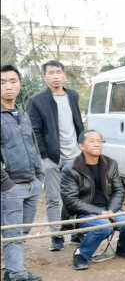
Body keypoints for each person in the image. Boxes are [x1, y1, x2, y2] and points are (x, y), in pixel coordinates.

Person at [60, 130, 125, 270]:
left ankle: (123, 249)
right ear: (81, 146)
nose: (97, 144)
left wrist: (111, 210)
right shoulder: (70, 169)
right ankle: (81, 255)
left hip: (108, 209)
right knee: (104, 227)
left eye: (99, 141)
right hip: (82, 213)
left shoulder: (110, 164)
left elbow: (119, 190)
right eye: (92, 141)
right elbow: (71, 200)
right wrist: (99, 212)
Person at [28, 60, 84, 252]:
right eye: (51, 73)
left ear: (64, 75)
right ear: (45, 76)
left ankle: (77, 232)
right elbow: (35, 131)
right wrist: (45, 157)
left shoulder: (73, 96)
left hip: (74, 155)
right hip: (51, 158)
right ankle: (56, 236)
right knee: (53, 198)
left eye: (58, 72)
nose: (55, 76)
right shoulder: (37, 101)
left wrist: (82, 147)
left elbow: (79, 124)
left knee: (76, 196)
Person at [1, 65, 44, 281]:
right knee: (14, 234)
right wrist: (6, 183)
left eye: (13, 80)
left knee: (22, 230)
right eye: (2, 82)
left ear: (19, 84)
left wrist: (39, 176)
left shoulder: (22, 113)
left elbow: (33, 146)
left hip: (31, 183)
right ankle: (18, 279)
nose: (8, 86)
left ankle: (10, 271)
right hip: (10, 187)